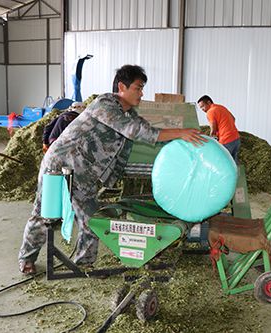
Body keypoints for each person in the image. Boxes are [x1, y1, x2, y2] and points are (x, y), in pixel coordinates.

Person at [18, 65, 207, 275]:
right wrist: (181, 133)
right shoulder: (105, 104)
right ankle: (26, 258)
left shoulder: (129, 113)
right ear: (121, 86)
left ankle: (84, 264)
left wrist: (182, 148)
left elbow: (149, 133)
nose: (141, 93)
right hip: (60, 164)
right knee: (45, 215)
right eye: (138, 87)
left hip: (84, 172)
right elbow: (136, 132)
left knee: (91, 218)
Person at [197, 95, 240, 163]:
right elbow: (233, 118)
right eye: (200, 108)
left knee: (223, 163)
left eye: (203, 106)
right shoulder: (221, 107)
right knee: (234, 163)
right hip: (236, 138)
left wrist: (210, 139)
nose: (202, 109)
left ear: (208, 102)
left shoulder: (210, 112)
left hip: (226, 140)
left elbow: (213, 129)